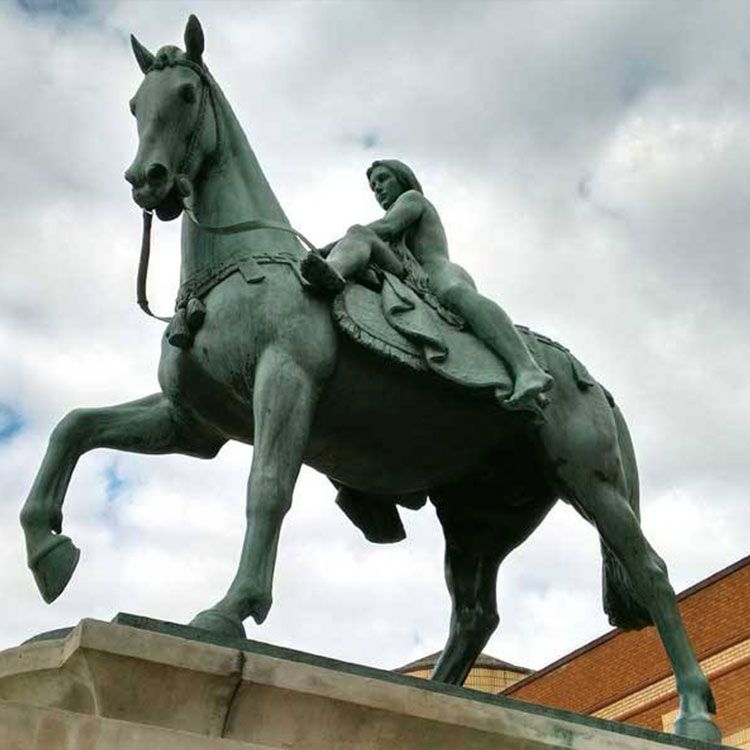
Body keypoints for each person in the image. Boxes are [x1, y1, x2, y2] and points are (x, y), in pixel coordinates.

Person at [301, 159, 553, 413]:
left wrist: (328, 246)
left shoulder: (412, 199)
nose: (377, 188)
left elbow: (386, 228)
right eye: (373, 185)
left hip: (436, 273)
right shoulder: (391, 221)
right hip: (407, 276)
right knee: (359, 233)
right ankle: (333, 271)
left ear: (402, 178)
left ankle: (526, 368)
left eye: (383, 179)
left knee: (455, 294)